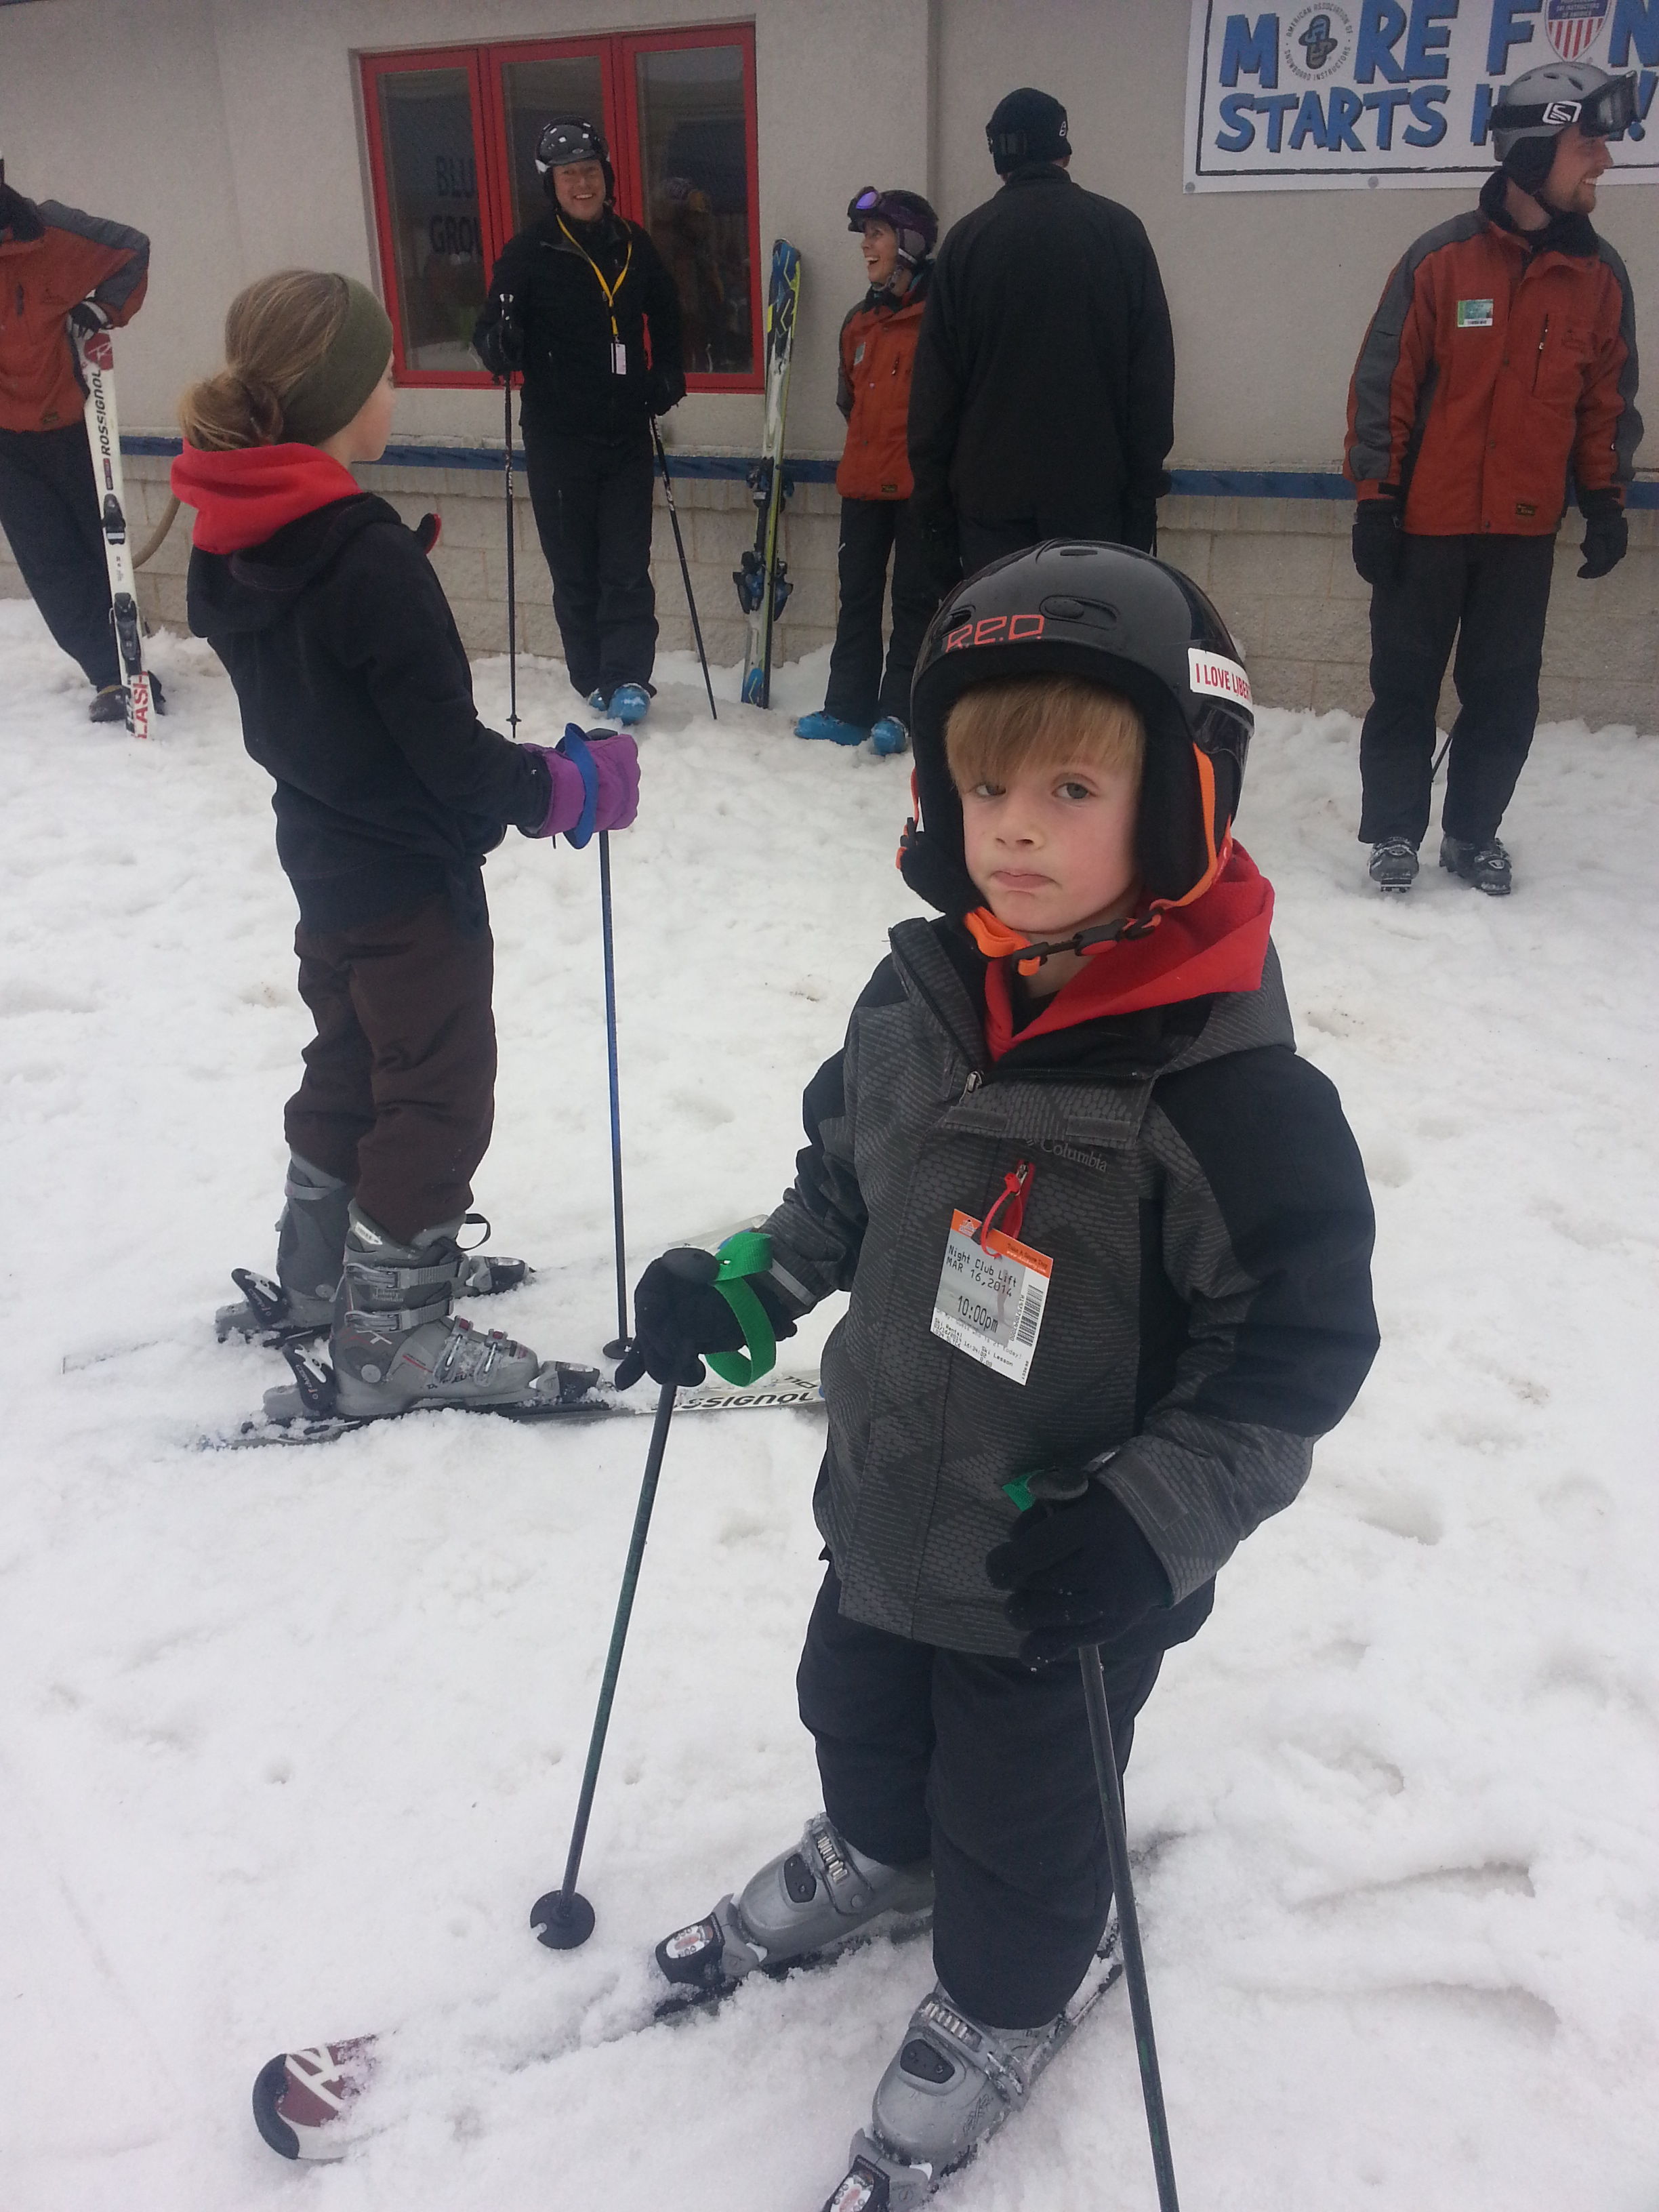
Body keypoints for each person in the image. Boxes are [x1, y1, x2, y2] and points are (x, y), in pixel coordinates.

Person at [619, 543, 1378, 2200]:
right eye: (982, 787)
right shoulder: (918, 1001)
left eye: (1071, 788)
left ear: (1179, 805)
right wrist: (741, 1285)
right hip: (889, 1501)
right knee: (853, 1710)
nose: (1013, 828)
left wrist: (1146, 1524)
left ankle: (1013, 1991)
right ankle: (883, 1853)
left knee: (1026, 1818)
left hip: (1058, 1566)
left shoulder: (1225, 1088)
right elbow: (844, 1188)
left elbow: (1290, 1354)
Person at [171, 269, 641, 1418]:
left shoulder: (233, 539)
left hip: (326, 878)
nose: (394, 389)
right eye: (382, 372)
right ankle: (390, 1331)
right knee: (436, 1091)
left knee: (349, 1060)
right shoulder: (364, 557)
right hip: (409, 890)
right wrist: (563, 787)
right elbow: (449, 762)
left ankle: (321, 1272)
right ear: (338, 397)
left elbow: (350, 728)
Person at [1345, 59, 1643, 899]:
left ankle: (1473, 833)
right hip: (1424, 528)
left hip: (1522, 531)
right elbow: (1384, 385)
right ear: (1532, 152)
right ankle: (1394, 831)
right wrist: (1376, 501)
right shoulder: (1440, 262)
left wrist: (1606, 500)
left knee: (1505, 696)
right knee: (1403, 688)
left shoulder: (1600, 278)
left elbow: (1607, 399)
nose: (1604, 161)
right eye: (1587, 145)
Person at [907, 89, 1175, 586]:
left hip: (990, 509)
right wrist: (1142, 493)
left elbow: (934, 395)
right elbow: (1152, 379)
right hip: (1095, 506)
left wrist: (932, 508)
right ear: (1062, 152)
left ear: (1001, 158)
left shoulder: (967, 244)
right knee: (1087, 632)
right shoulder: (1120, 233)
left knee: (1003, 634)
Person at [473, 119, 685, 728]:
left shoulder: (632, 244)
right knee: (574, 565)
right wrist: (501, 345)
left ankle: (628, 675)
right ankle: (592, 674)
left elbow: (669, 315)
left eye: (590, 172)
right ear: (553, 185)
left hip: (625, 433)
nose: (582, 184)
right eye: (569, 176)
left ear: (607, 177)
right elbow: (489, 334)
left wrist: (668, 376)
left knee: (627, 562)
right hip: (557, 438)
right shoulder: (529, 251)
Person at [0, 154, 155, 723]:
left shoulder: (56, 234)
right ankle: (109, 675)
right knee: (50, 562)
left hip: (69, 426)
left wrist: (100, 308)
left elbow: (132, 250)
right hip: (4, 442)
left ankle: (132, 662)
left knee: (102, 547)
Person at [795, 187, 941, 758]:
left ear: (909, 243)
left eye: (877, 234)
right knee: (856, 599)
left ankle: (899, 711)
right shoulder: (858, 323)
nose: (866, 247)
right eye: (865, 236)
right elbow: (848, 401)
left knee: (913, 602)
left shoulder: (939, 321)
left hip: (917, 491)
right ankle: (847, 708)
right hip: (861, 488)